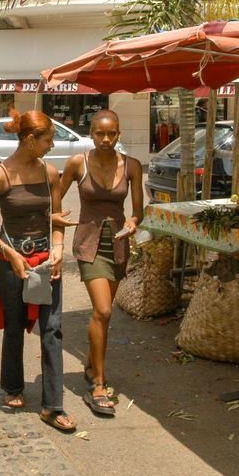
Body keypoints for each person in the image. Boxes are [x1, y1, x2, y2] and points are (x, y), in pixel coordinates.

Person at [0, 109, 73, 433]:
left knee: (52, 329)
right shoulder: (0, 175)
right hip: (10, 261)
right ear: (30, 140)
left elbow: (56, 218)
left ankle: (53, 406)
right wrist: (8, 252)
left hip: (46, 260)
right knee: (14, 325)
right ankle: (13, 387)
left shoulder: (50, 172)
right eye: (47, 140)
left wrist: (58, 249)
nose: (51, 145)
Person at [55, 110, 143, 417]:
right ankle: (98, 385)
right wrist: (56, 220)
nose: (106, 139)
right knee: (103, 310)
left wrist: (133, 221)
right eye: (100, 134)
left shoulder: (132, 166)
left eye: (112, 134)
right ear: (90, 133)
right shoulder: (78, 163)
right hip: (88, 244)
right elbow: (56, 194)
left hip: (118, 244)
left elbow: (138, 210)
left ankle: (92, 365)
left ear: (119, 135)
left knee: (105, 316)